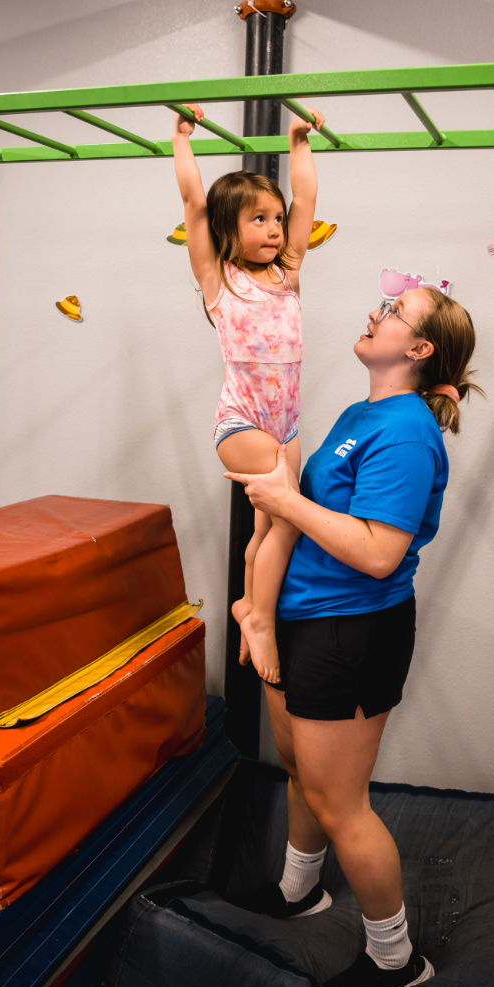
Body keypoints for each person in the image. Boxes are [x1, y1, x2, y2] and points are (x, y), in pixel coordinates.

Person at [226, 284, 482, 987]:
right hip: (304, 620)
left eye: (394, 312)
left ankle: (395, 960)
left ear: (419, 350)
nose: (376, 312)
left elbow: (377, 552)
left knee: (343, 804)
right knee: (302, 773)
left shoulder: (404, 432)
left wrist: (288, 501)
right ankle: (300, 889)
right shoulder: (359, 413)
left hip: (352, 632)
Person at [172, 101, 325, 684]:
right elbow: (192, 202)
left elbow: (306, 200)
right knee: (289, 518)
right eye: (258, 219)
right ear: (227, 228)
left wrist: (299, 143)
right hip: (240, 426)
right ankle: (258, 619)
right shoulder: (219, 281)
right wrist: (183, 140)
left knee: (266, 528)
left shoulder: (287, 272)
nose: (275, 229)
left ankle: (245, 601)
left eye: (277, 219)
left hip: (285, 428)